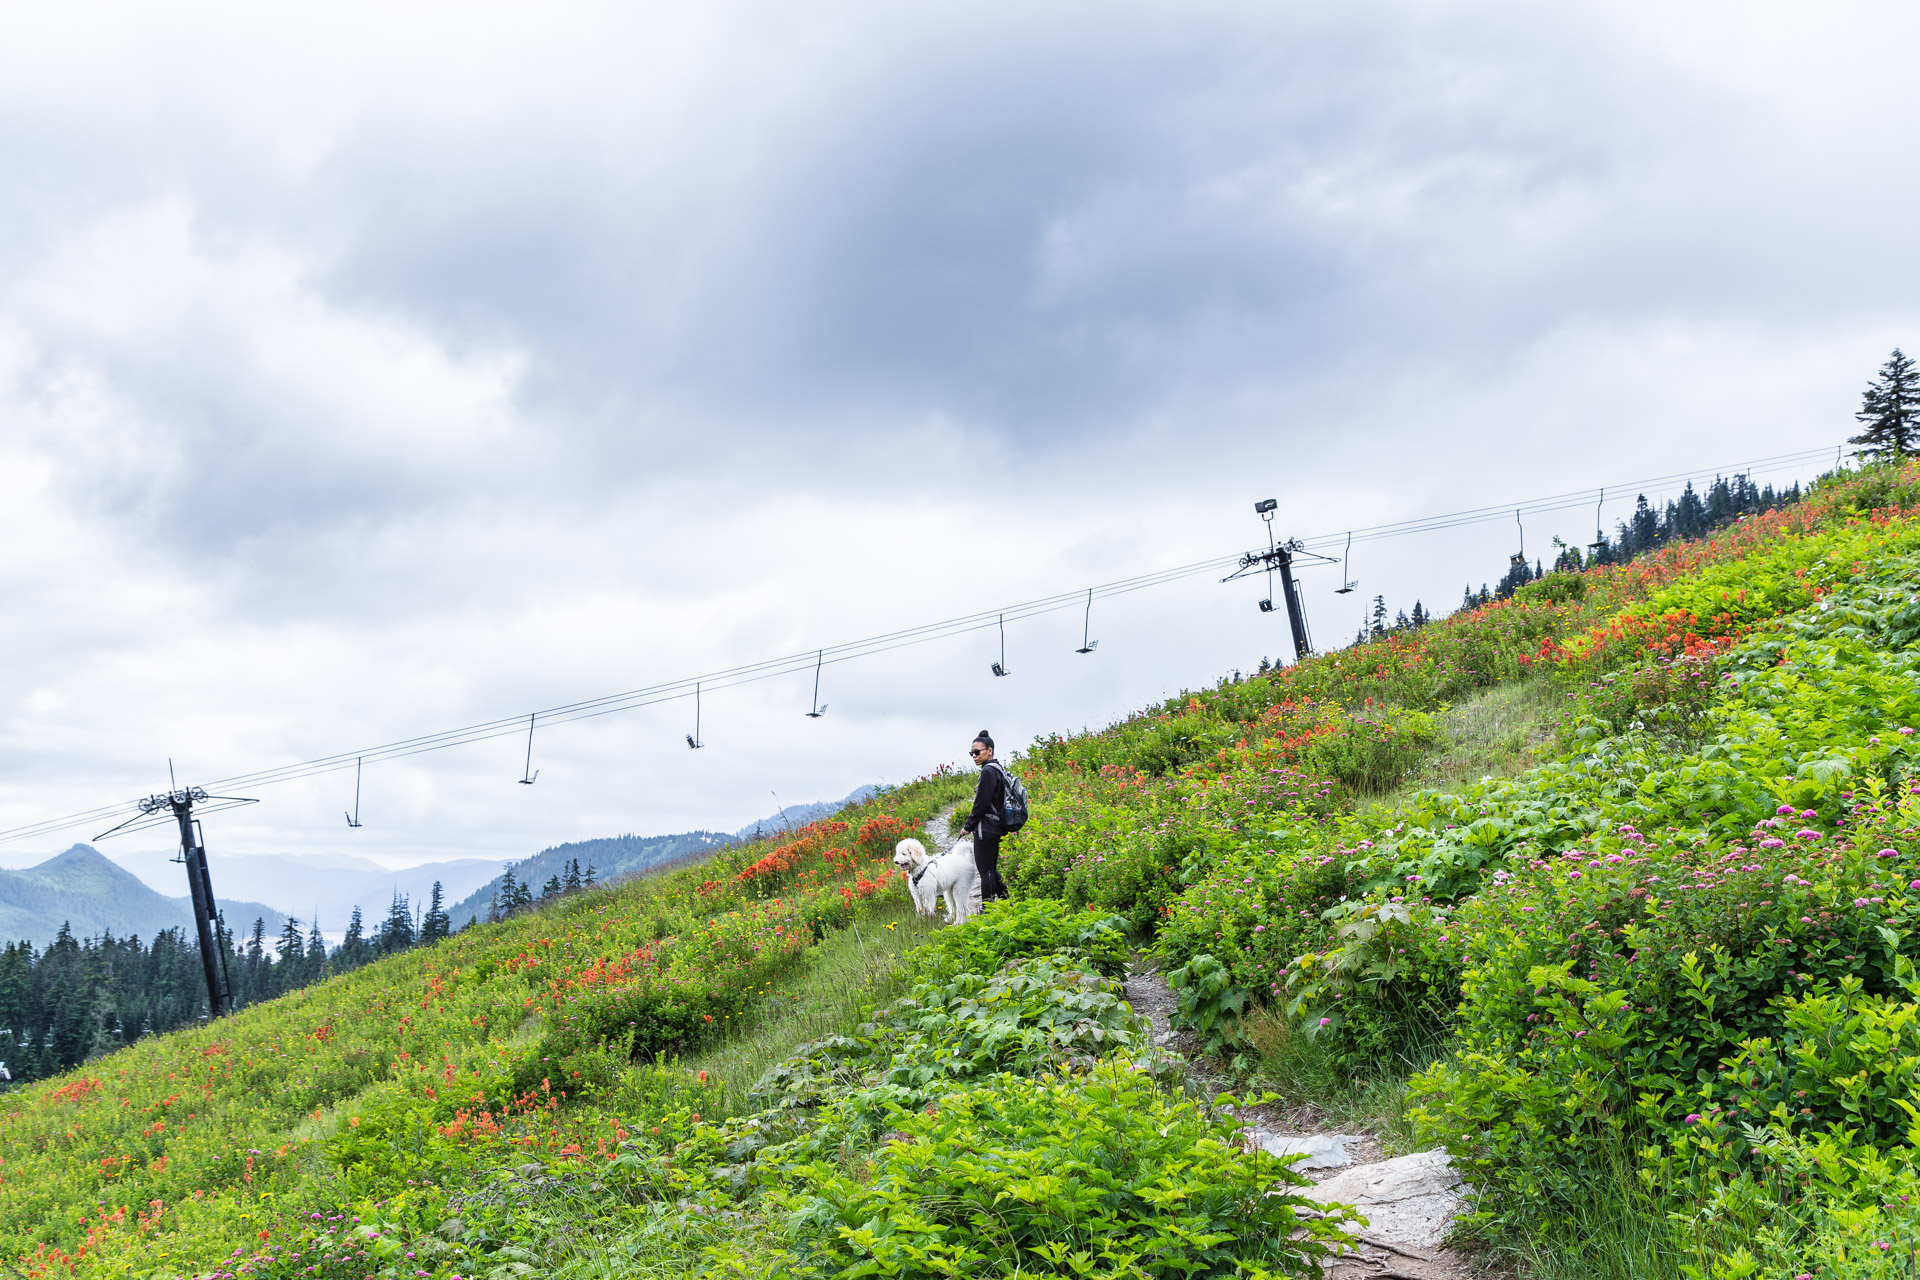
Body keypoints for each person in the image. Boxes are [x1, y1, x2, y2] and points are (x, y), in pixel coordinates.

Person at [962, 729, 1010, 901]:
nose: (974, 756)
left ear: (989, 751)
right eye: (971, 753)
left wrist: (968, 826)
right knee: (991, 869)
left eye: (977, 752)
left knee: (985, 871)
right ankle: (1007, 902)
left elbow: (981, 803)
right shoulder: (998, 769)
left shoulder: (988, 772)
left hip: (986, 828)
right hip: (996, 826)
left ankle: (987, 910)